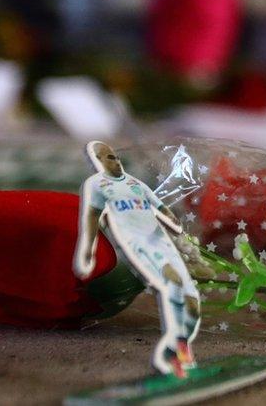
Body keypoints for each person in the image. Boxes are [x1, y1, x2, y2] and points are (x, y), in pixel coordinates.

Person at [73, 141, 200, 377]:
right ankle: (179, 359)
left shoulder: (136, 184)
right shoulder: (97, 185)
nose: (115, 160)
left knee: (192, 305)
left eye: (115, 156)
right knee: (172, 283)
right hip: (138, 244)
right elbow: (91, 216)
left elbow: (161, 208)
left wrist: (179, 229)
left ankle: (175, 349)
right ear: (98, 161)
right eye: (108, 157)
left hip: (161, 241)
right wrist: (87, 249)